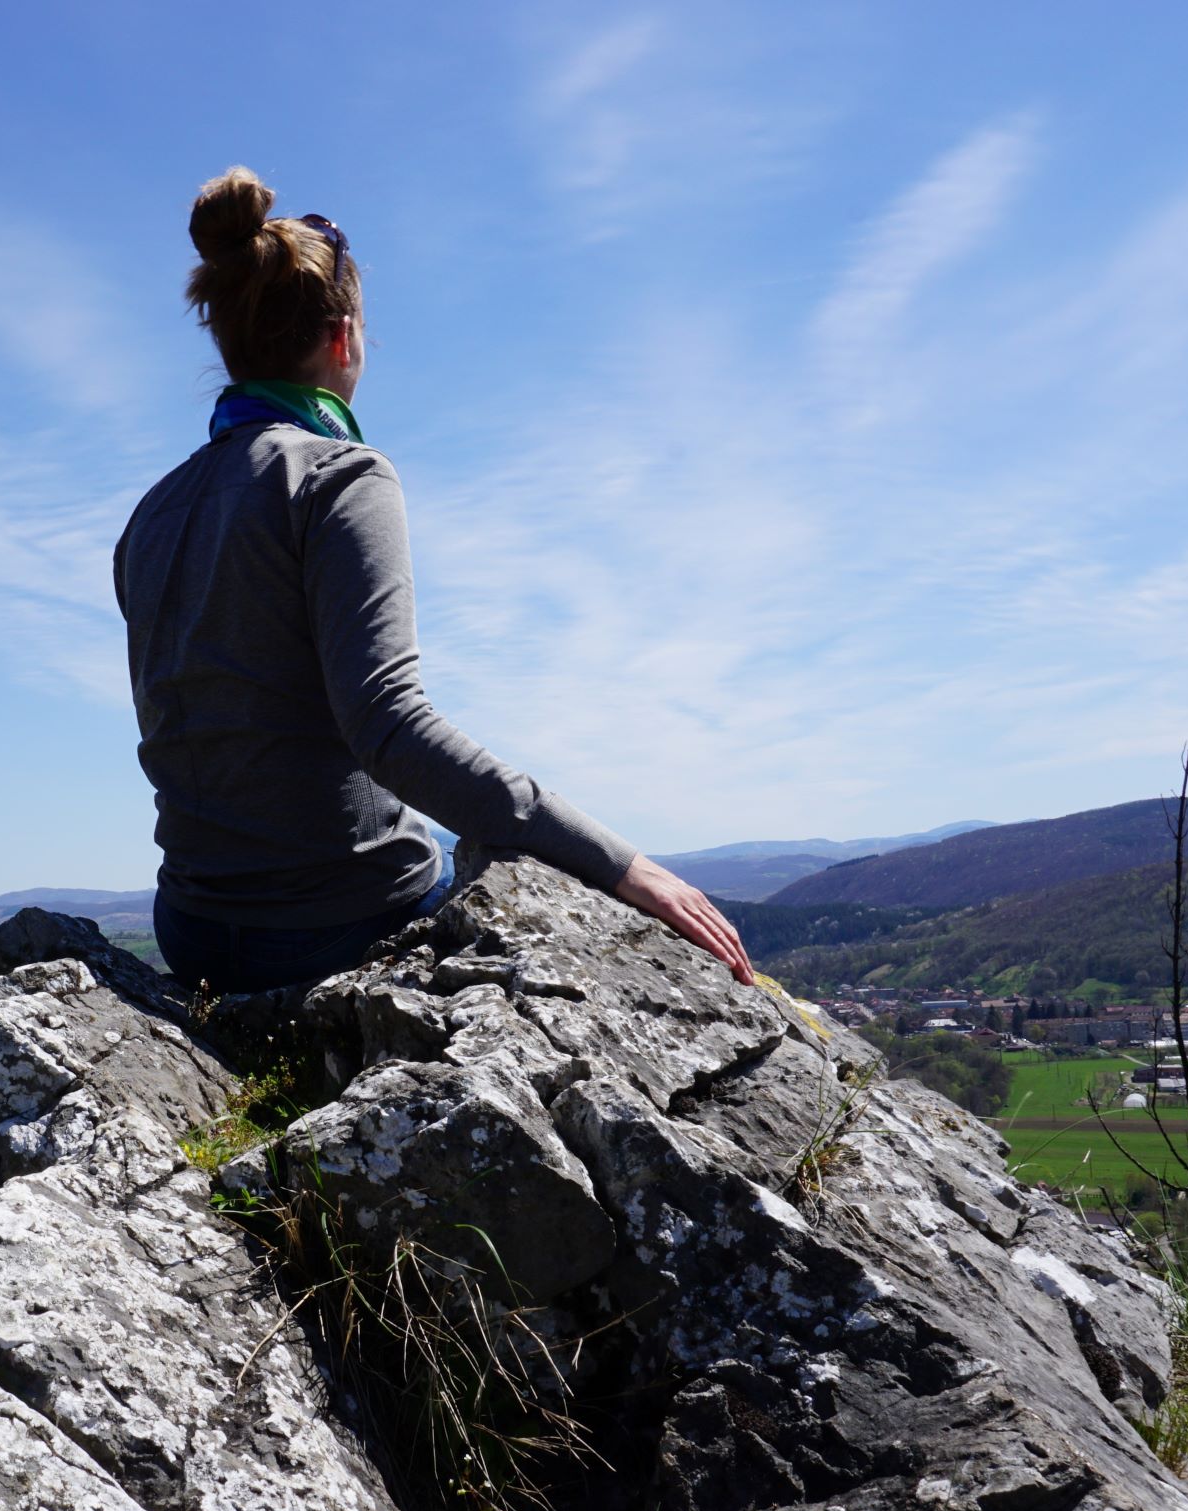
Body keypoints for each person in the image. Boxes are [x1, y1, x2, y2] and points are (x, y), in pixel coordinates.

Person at [114, 165, 754, 996]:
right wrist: (623, 866)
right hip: (338, 921)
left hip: (192, 927)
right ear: (342, 337)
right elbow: (388, 723)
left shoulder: (152, 513)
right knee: (562, 907)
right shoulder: (339, 475)